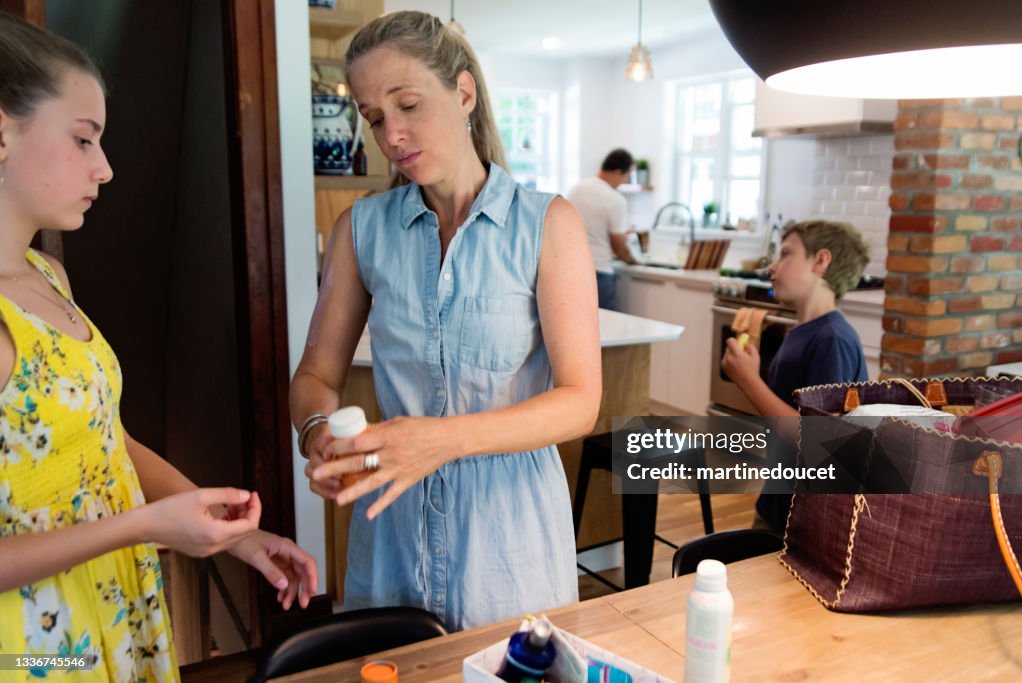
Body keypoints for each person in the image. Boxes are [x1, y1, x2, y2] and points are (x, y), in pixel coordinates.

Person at [0, 12, 317, 679]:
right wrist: (145, 525)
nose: (106, 168)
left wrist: (240, 536)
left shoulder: (48, 276)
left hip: (110, 603)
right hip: (30, 645)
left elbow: (104, 438)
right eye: (84, 140)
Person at [289, 11, 601, 631]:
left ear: (463, 93)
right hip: (393, 533)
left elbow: (579, 402)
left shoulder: (547, 224)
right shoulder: (362, 229)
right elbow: (313, 378)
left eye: (408, 105)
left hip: (508, 541)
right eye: (375, 118)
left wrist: (440, 440)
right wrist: (318, 432)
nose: (392, 135)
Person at [721, 220, 869, 533]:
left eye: (786, 254)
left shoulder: (832, 339)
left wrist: (749, 381)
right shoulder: (804, 332)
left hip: (807, 522)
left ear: (820, 260)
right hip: (780, 504)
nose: (772, 267)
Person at [566, 148, 637, 310]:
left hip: (573, 269)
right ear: (618, 172)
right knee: (606, 328)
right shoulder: (615, 199)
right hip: (600, 271)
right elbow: (618, 245)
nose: (626, 180)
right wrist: (631, 260)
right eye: (627, 175)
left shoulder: (577, 188)